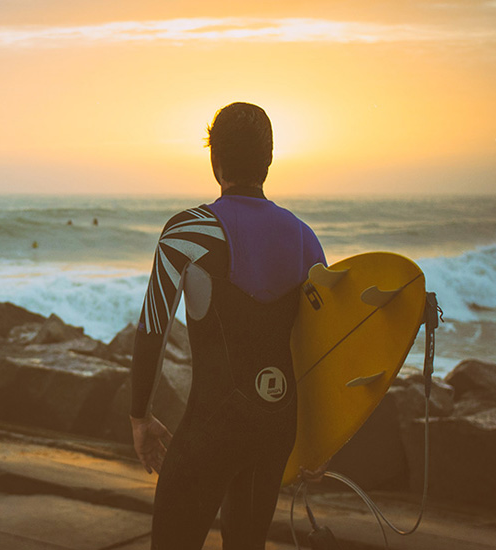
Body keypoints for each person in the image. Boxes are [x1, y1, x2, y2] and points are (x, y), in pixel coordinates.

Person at [129, 102, 326, 549]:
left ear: (214, 159)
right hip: (277, 426)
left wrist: (140, 416)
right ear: (269, 159)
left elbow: (153, 328)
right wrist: (318, 441)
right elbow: (319, 346)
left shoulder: (189, 231)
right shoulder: (305, 238)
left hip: (214, 424)